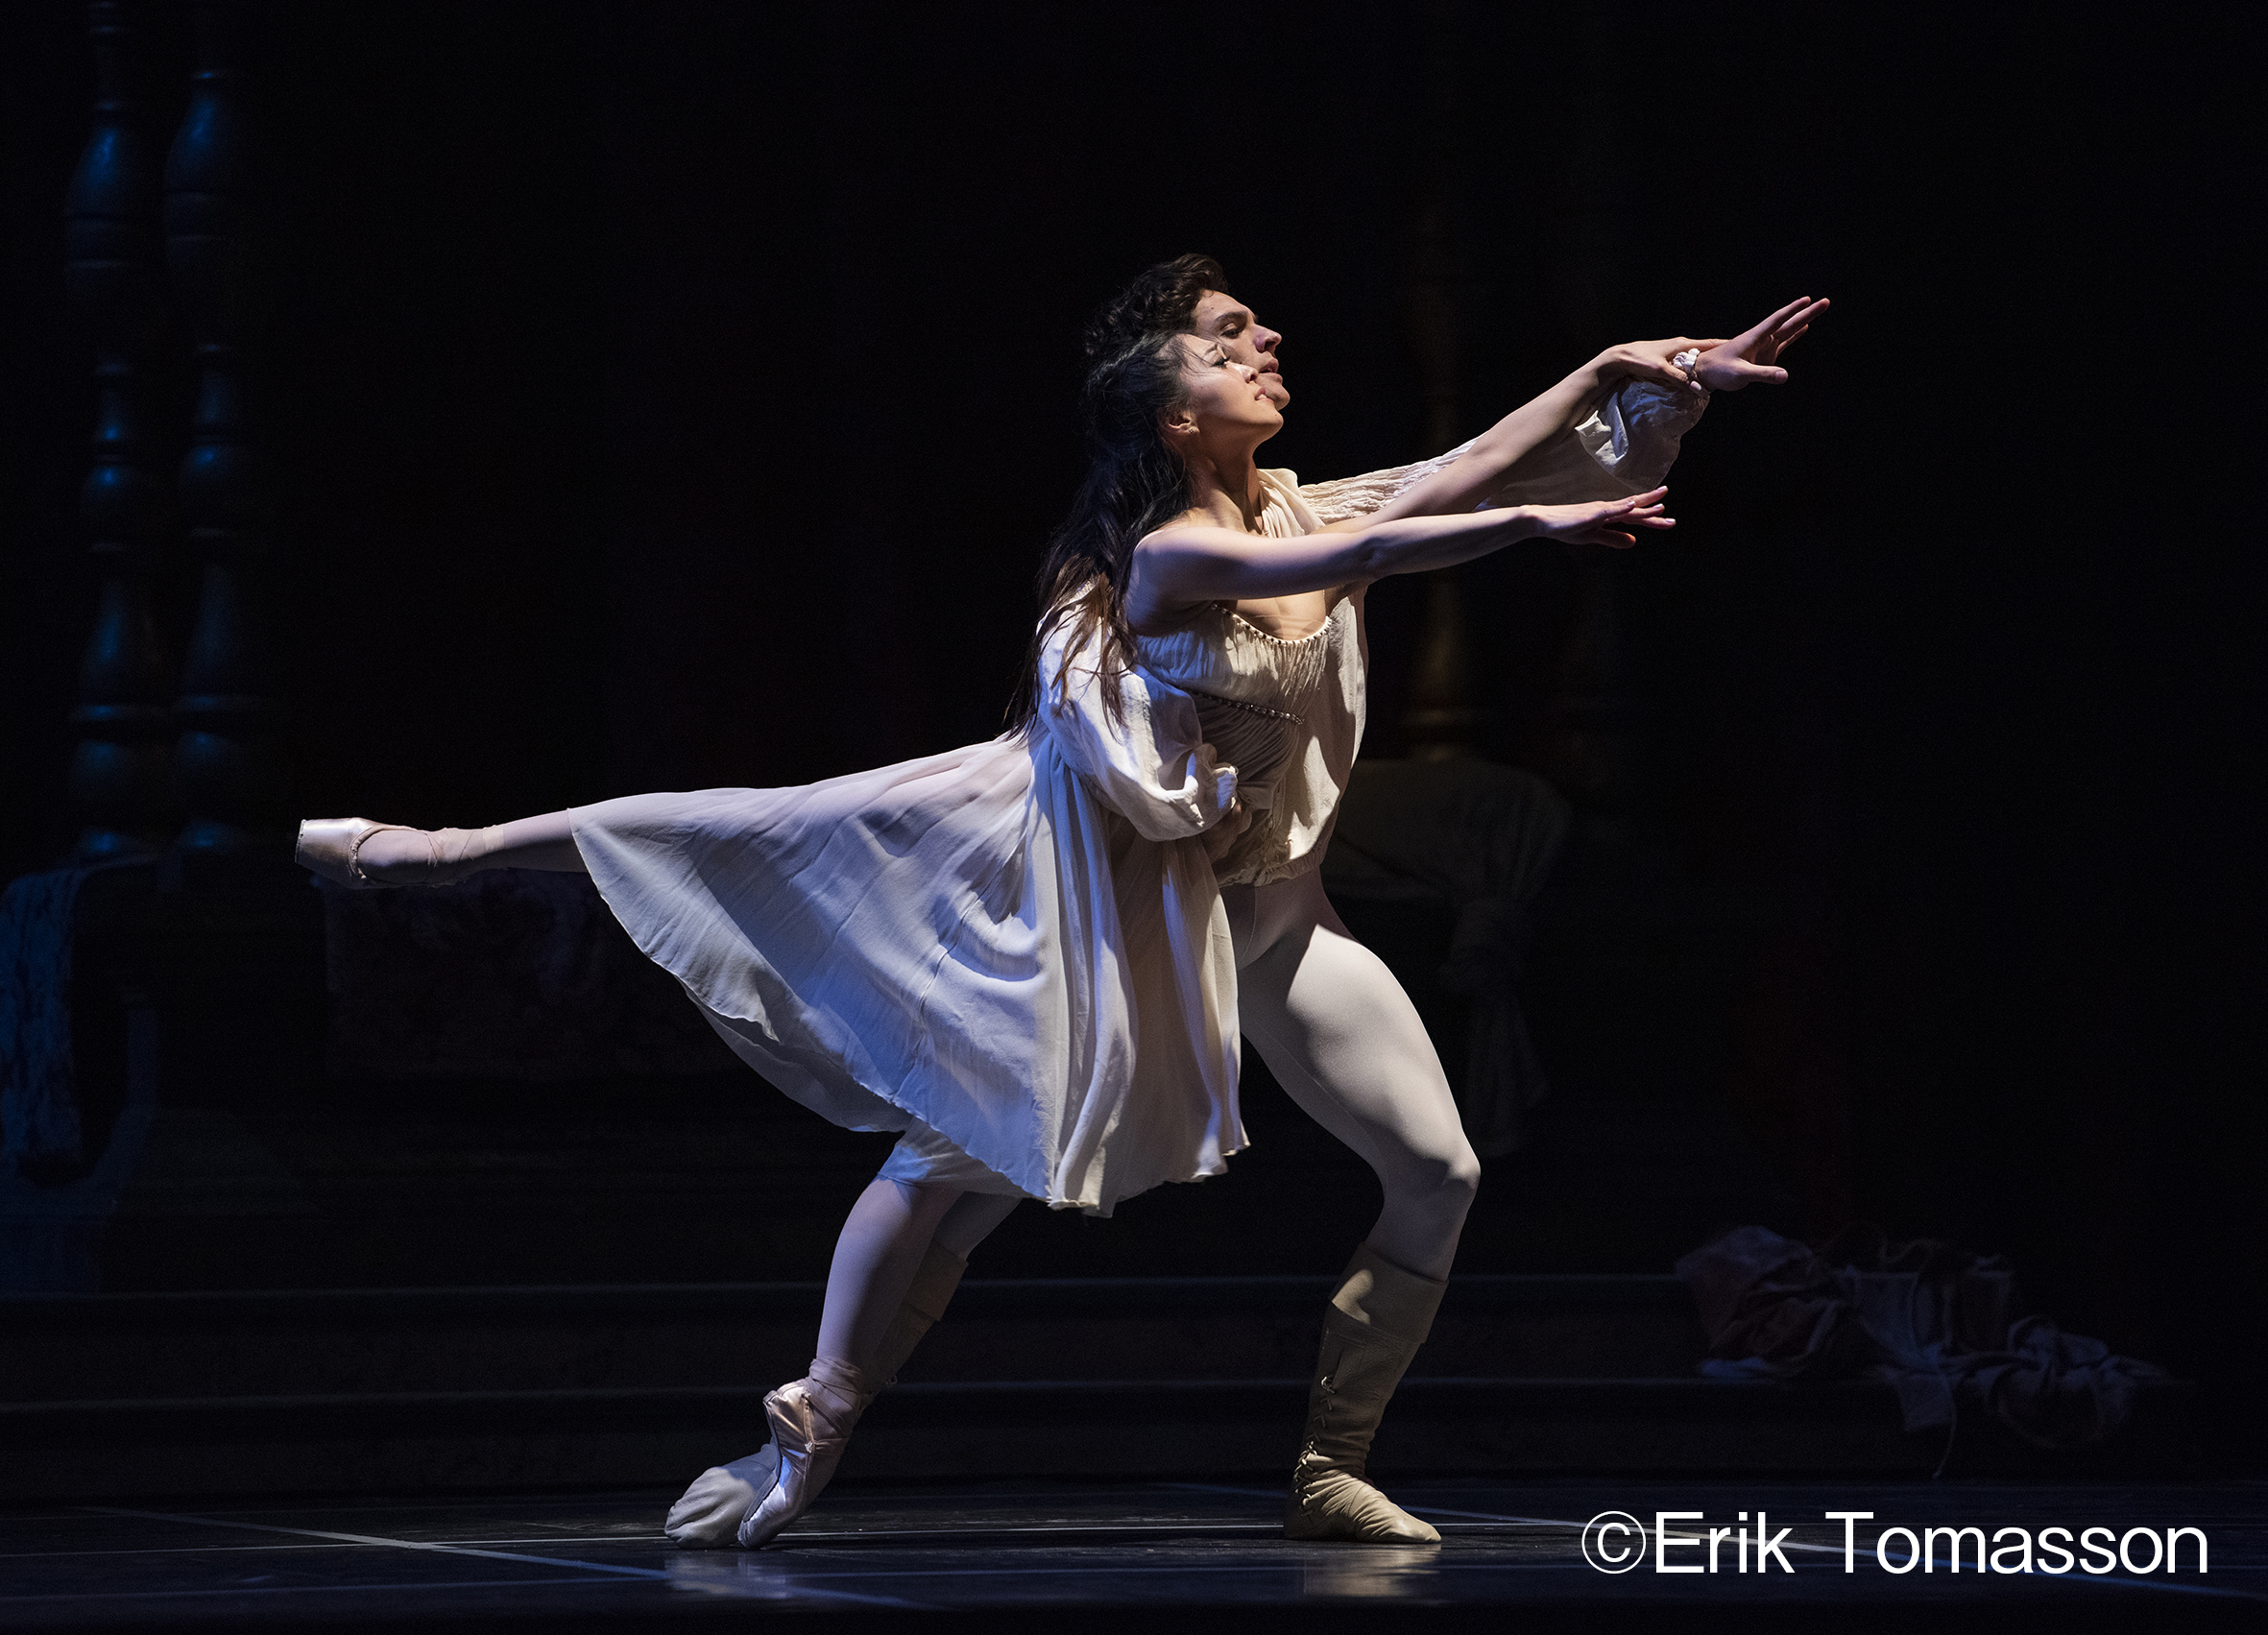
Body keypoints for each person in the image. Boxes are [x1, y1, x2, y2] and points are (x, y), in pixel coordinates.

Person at [297, 260, 1824, 1548]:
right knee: (872, 1034)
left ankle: (1329, 1464)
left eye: (1255, 326)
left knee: (1436, 1167)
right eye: (1226, 339)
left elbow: (1455, 469)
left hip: (1272, 917)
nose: (1263, 340)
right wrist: (1530, 525)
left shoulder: (1287, 513)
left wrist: (1614, 372)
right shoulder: (1169, 552)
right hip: (1107, 916)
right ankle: (803, 1408)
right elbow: (1400, 536)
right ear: (1174, 416)